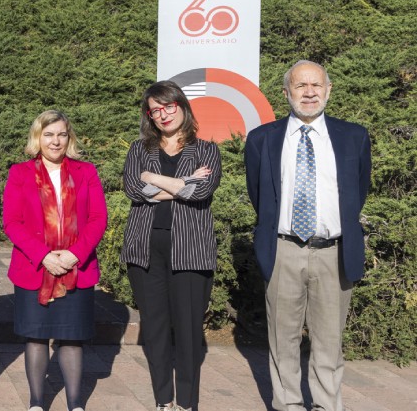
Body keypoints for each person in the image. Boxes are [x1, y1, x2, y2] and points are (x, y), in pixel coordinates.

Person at [245, 60, 371, 411]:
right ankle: (288, 405)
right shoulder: (262, 139)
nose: (310, 92)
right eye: (301, 86)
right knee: (281, 340)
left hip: (334, 251)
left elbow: (358, 191)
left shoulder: (354, 137)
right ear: (287, 92)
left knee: (329, 342)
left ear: (329, 90)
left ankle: (327, 405)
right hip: (283, 249)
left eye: (316, 85)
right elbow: (260, 196)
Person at [121, 80, 221, 411]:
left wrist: (154, 179)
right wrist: (183, 182)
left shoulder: (206, 150)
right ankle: (164, 400)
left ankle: (187, 403)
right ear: (149, 116)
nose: (162, 115)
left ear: (181, 105)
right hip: (145, 251)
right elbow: (135, 189)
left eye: (168, 106)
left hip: (190, 252)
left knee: (190, 332)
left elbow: (200, 193)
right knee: (156, 329)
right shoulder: (139, 150)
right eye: (155, 110)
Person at [3, 110, 108, 411]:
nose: (55, 140)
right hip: (34, 268)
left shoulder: (86, 172)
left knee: (71, 339)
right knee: (36, 338)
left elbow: (98, 218)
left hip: (77, 266)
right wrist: (44, 256)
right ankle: (37, 403)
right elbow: (12, 222)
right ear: (38, 137)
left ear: (69, 137)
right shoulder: (20, 173)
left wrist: (75, 254)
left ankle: (75, 404)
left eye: (61, 134)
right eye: (48, 134)